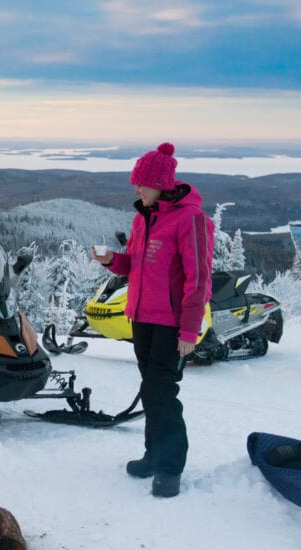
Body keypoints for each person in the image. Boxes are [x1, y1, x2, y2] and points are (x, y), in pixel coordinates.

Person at [92, 142, 213, 498]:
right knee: (151, 388)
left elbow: (199, 278)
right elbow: (133, 266)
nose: (136, 189)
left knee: (161, 392)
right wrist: (111, 260)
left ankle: (170, 467)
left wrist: (190, 328)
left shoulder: (191, 219)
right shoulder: (143, 218)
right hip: (142, 319)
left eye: (141, 183)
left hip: (171, 323)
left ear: (160, 184)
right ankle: (152, 455)